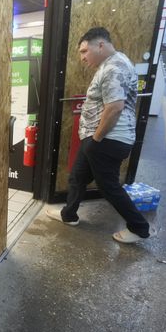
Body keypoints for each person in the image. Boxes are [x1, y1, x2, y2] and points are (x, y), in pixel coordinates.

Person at [46, 27, 151, 244]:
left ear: (100, 45)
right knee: (78, 176)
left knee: (108, 186)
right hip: (101, 138)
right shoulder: (113, 64)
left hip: (106, 139)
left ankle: (139, 228)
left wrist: (96, 139)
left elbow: (115, 107)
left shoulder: (114, 66)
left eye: (85, 51)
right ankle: (69, 215)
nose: (83, 58)